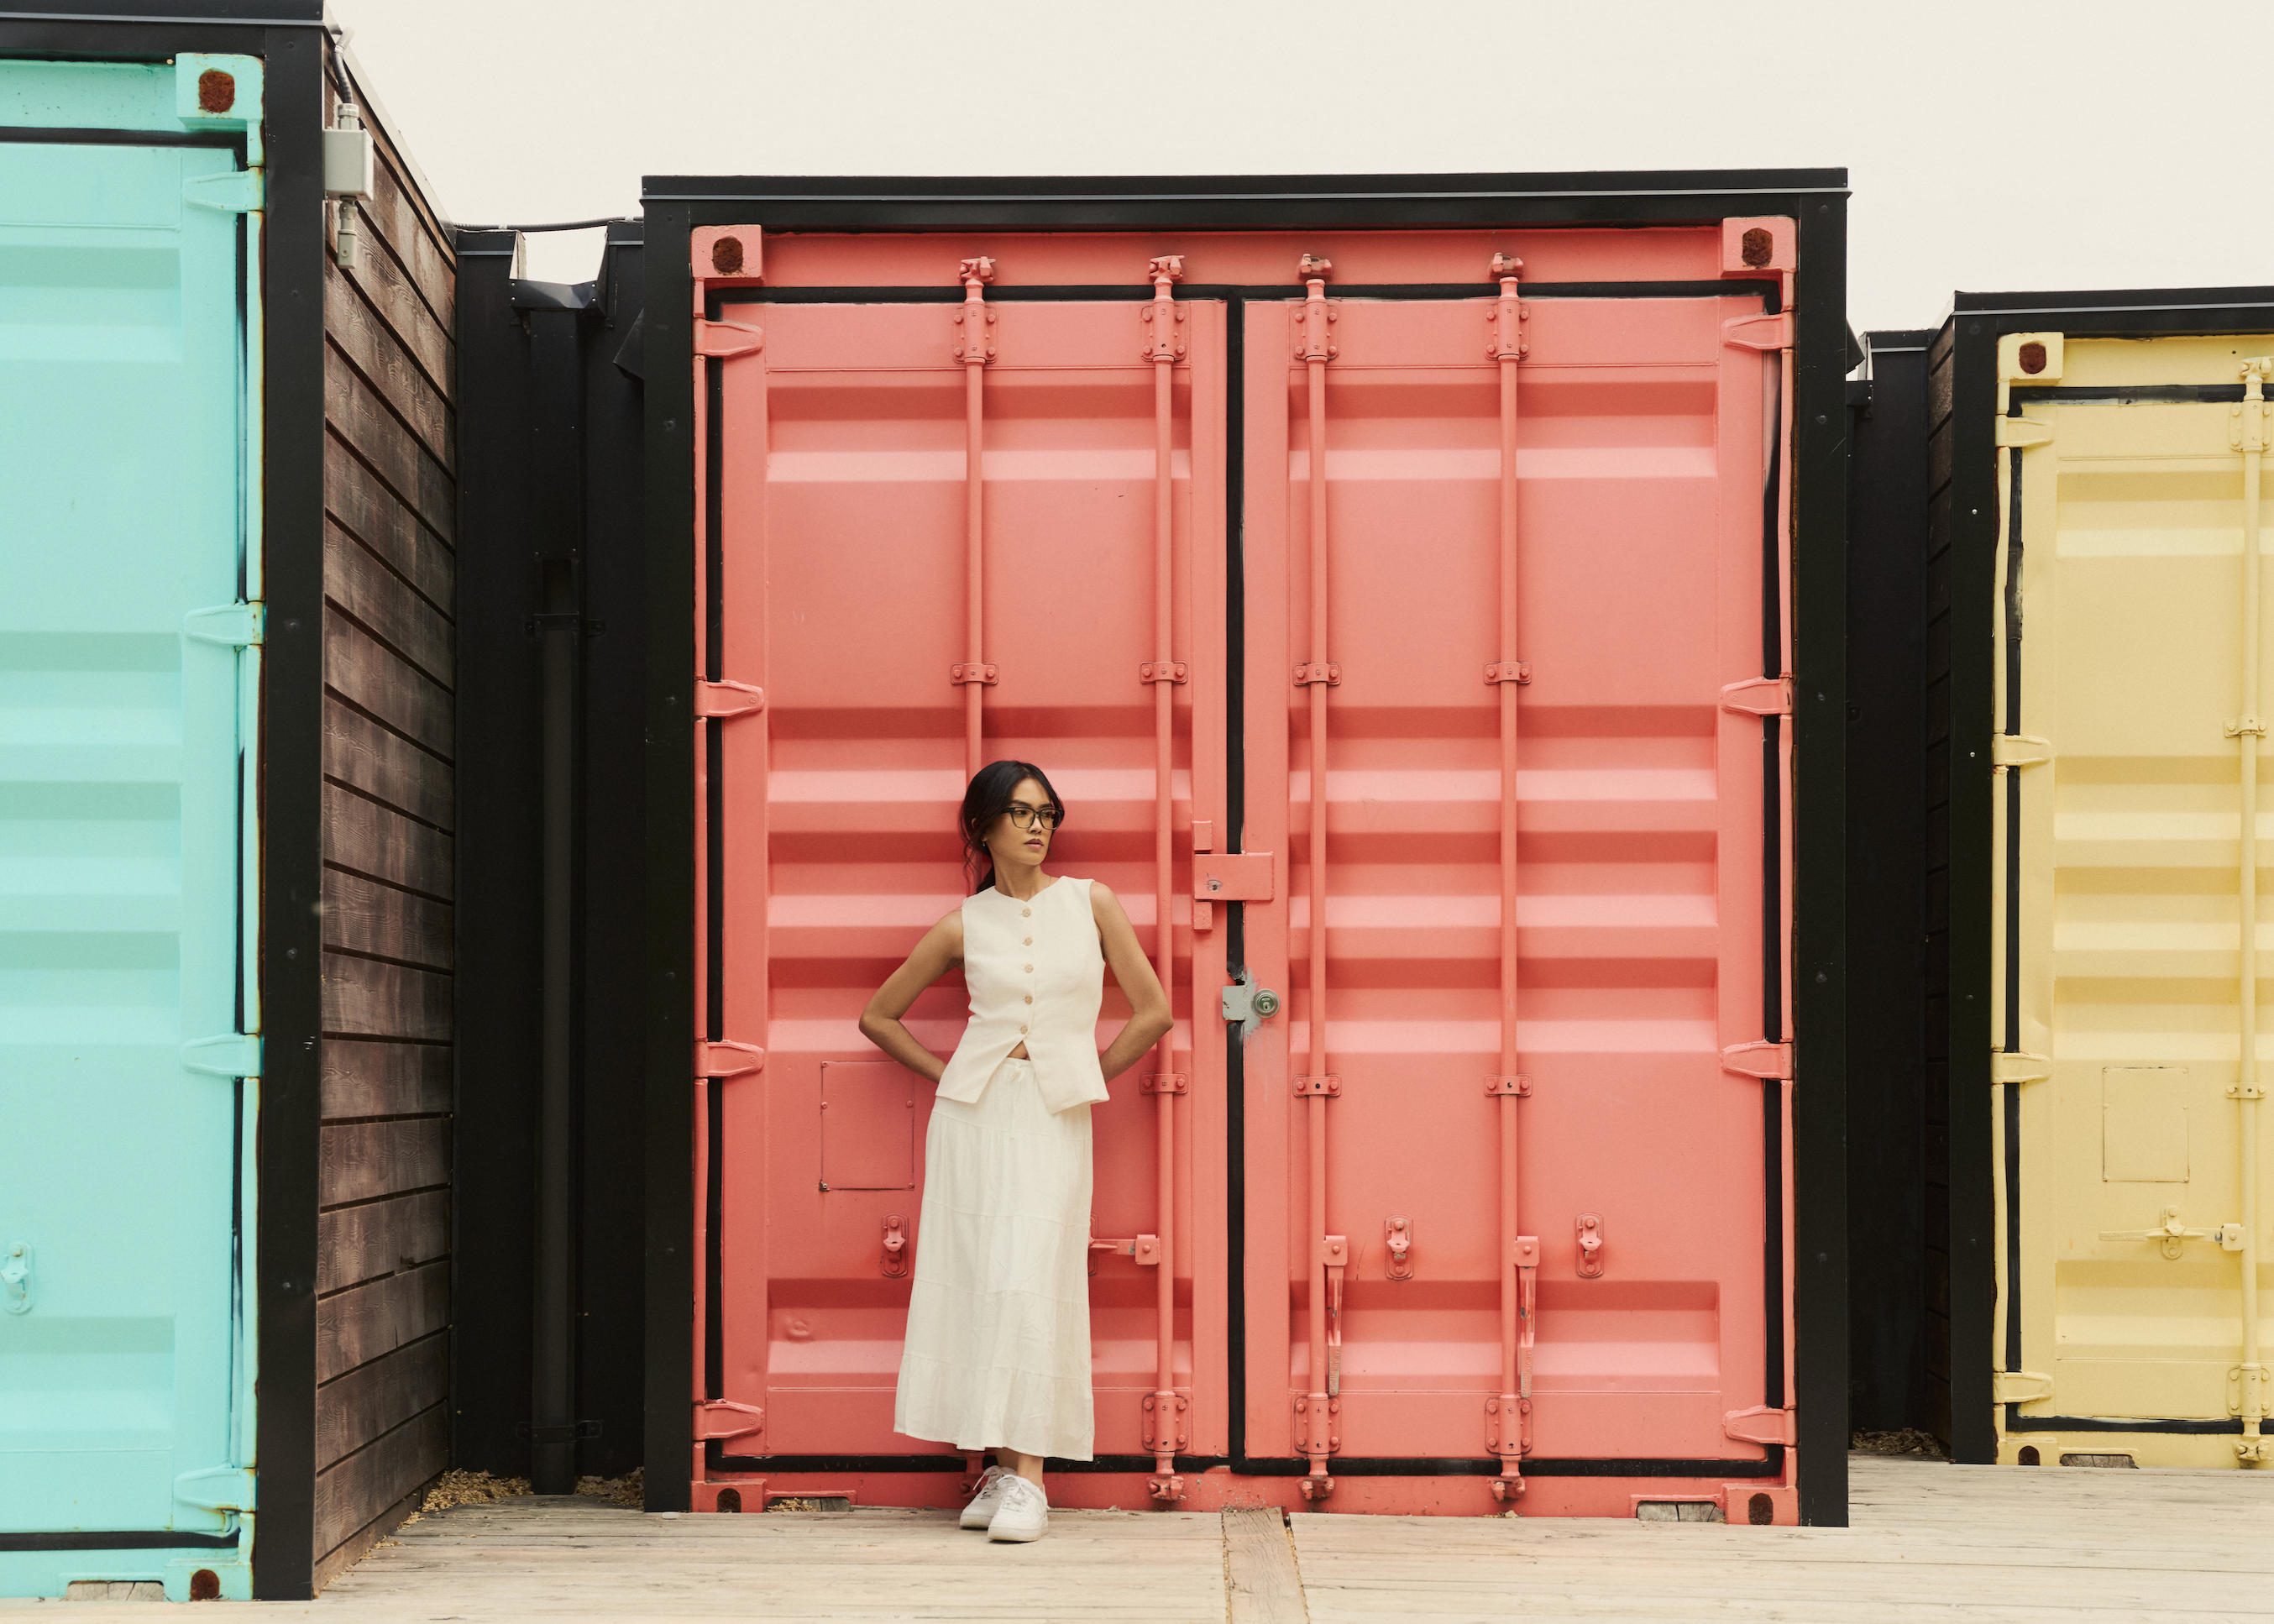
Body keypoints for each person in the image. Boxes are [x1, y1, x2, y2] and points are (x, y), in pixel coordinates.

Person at [859, 760, 1172, 1543]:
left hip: (1053, 1113)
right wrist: (957, 1075)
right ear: (983, 828)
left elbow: (1154, 1012)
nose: (1039, 827)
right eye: (1021, 813)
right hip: (975, 1118)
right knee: (982, 1278)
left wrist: (1079, 1075)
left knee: (1035, 1274)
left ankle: (1032, 1481)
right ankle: (1002, 1471)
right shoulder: (964, 924)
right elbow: (880, 1016)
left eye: (1047, 813)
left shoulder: (1090, 901)